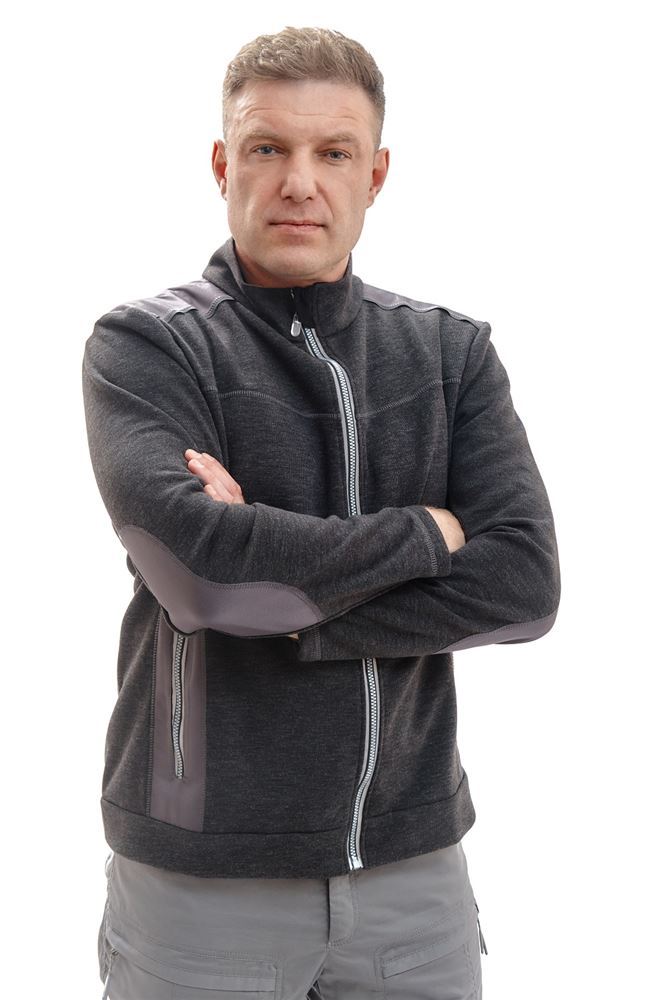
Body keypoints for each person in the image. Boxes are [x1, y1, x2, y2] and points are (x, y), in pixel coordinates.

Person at [83, 25, 560, 1000]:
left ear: (374, 175)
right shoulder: (148, 346)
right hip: (201, 886)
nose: (299, 182)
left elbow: (522, 585)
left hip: (415, 879)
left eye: (333, 153)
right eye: (268, 147)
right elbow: (206, 576)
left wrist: (290, 603)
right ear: (223, 165)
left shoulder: (450, 353)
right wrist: (429, 533)